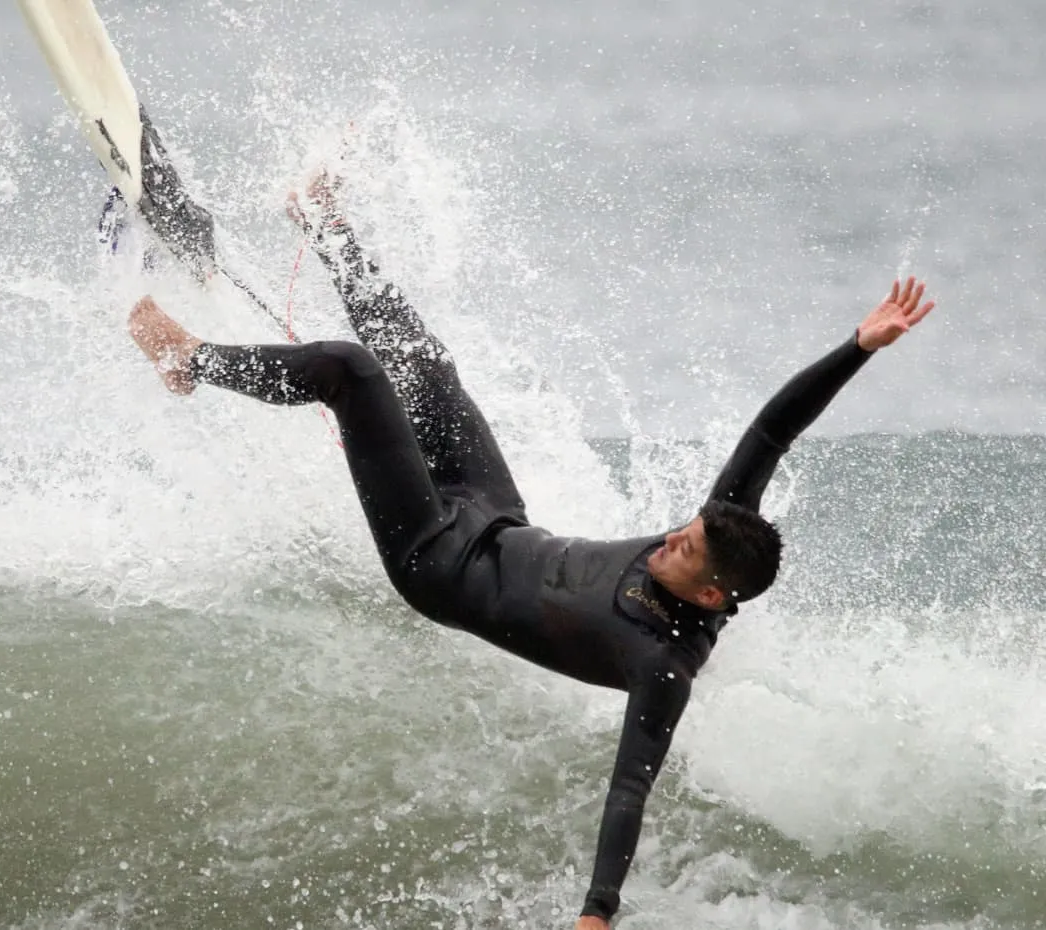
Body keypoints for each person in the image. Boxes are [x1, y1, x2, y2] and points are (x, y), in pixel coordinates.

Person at [126, 172, 935, 926]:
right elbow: (774, 428)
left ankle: (185, 362)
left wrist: (598, 909)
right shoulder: (723, 532)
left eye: (682, 554)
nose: (668, 543)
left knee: (351, 369)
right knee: (424, 364)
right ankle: (326, 224)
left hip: (434, 562)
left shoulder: (660, 664)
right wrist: (859, 346)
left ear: (712, 597)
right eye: (682, 533)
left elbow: (628, 789)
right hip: (493, 514)